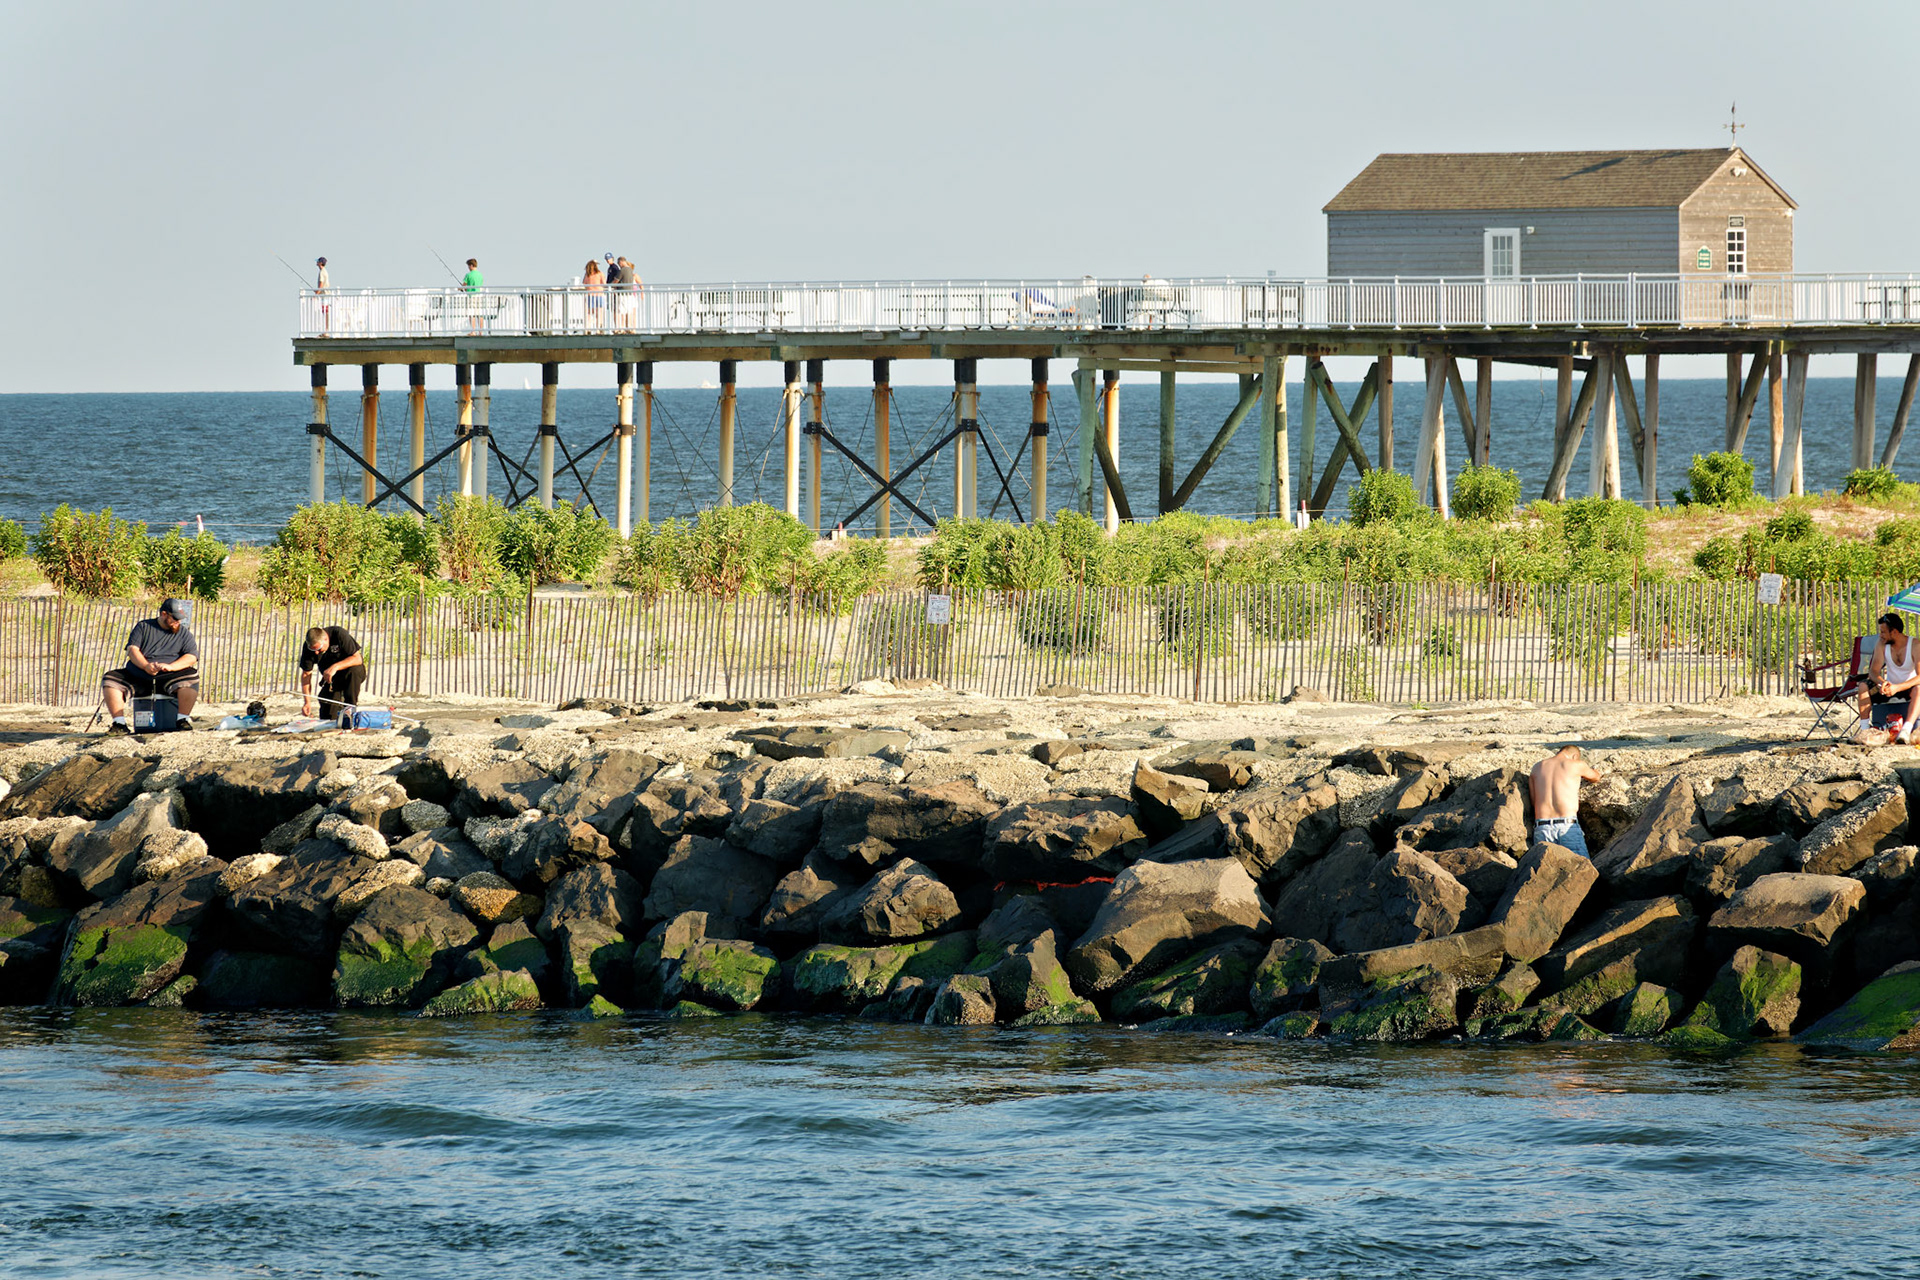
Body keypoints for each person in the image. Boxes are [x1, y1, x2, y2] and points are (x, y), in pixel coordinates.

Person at [101, 599, 199, 734]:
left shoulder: (184, 633)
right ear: (164, 614)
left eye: (180, 618)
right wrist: (145, 666)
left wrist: (171, 667)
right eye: (175, 618)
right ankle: (119, 723)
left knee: (191, 676)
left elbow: (191, 657)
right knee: (110, 679)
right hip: (139, 674)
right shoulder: (143, 627)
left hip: (169, 675)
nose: (178, 622)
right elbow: (133, 650)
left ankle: (182, 720)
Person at [1528, 745, 1603, 857]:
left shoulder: (1537, 767)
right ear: (1574, 756)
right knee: (1580, 870)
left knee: (1545, 872)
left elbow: (1534, 802)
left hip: (1542, 827)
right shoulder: (1576, 764)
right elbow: (1595, 777)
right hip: (1566, 826)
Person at [1858, 612, 1916, 744]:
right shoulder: (1882, 644)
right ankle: (1865, 729)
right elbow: (1873, 671)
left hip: (1908, 688)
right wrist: (1883, 682)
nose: (1880, 635)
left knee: (1919, 688)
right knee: (1863, 686)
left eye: (1883, 632)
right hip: (1888, 687)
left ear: (1894, 632)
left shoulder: (1915, 645)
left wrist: (1898, 687)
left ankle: (1906, 729)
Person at [299, 624, 367, 719]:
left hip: (351, 674)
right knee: (328, 716)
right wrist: (307, 702)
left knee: (354, 670)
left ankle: (351, 708)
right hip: (332, 679)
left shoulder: (339, 634)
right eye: (313, 650)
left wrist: (335, 667)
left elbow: (358, 659)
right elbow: (306, 674)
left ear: (326, 640)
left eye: (319, 649)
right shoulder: (309, 647)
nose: (316, 653)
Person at [462, 257, 484, 333]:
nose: (468, 268)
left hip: (471, 296)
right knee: (479, 314)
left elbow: (464, 285)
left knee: (471, 314)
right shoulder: (480, 275)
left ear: (471, 265)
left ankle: (473, 331)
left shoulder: (468, 275)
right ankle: (481, 331)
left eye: (468, 266)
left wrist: (461, 289)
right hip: (479, 296)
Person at [583, 259, 605, 332]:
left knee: (589, 313)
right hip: (599, 294)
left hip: (590, 295)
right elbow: (604, 283)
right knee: (599, 313)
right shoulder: (600, 273)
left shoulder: (587, 274)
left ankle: (587, 328)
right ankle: (598, 328)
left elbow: (584, 283)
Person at [315, 256, 330, 336]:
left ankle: (326, 330)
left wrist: (316, 294)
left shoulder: (322, 272)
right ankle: (326, 330)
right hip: (325, 294)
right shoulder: (324, 271)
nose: (316, 263)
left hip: (324, 295)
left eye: (317, 261)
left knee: (325, 311)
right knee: (325, 311)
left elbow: (321, 284)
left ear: (321, 263)